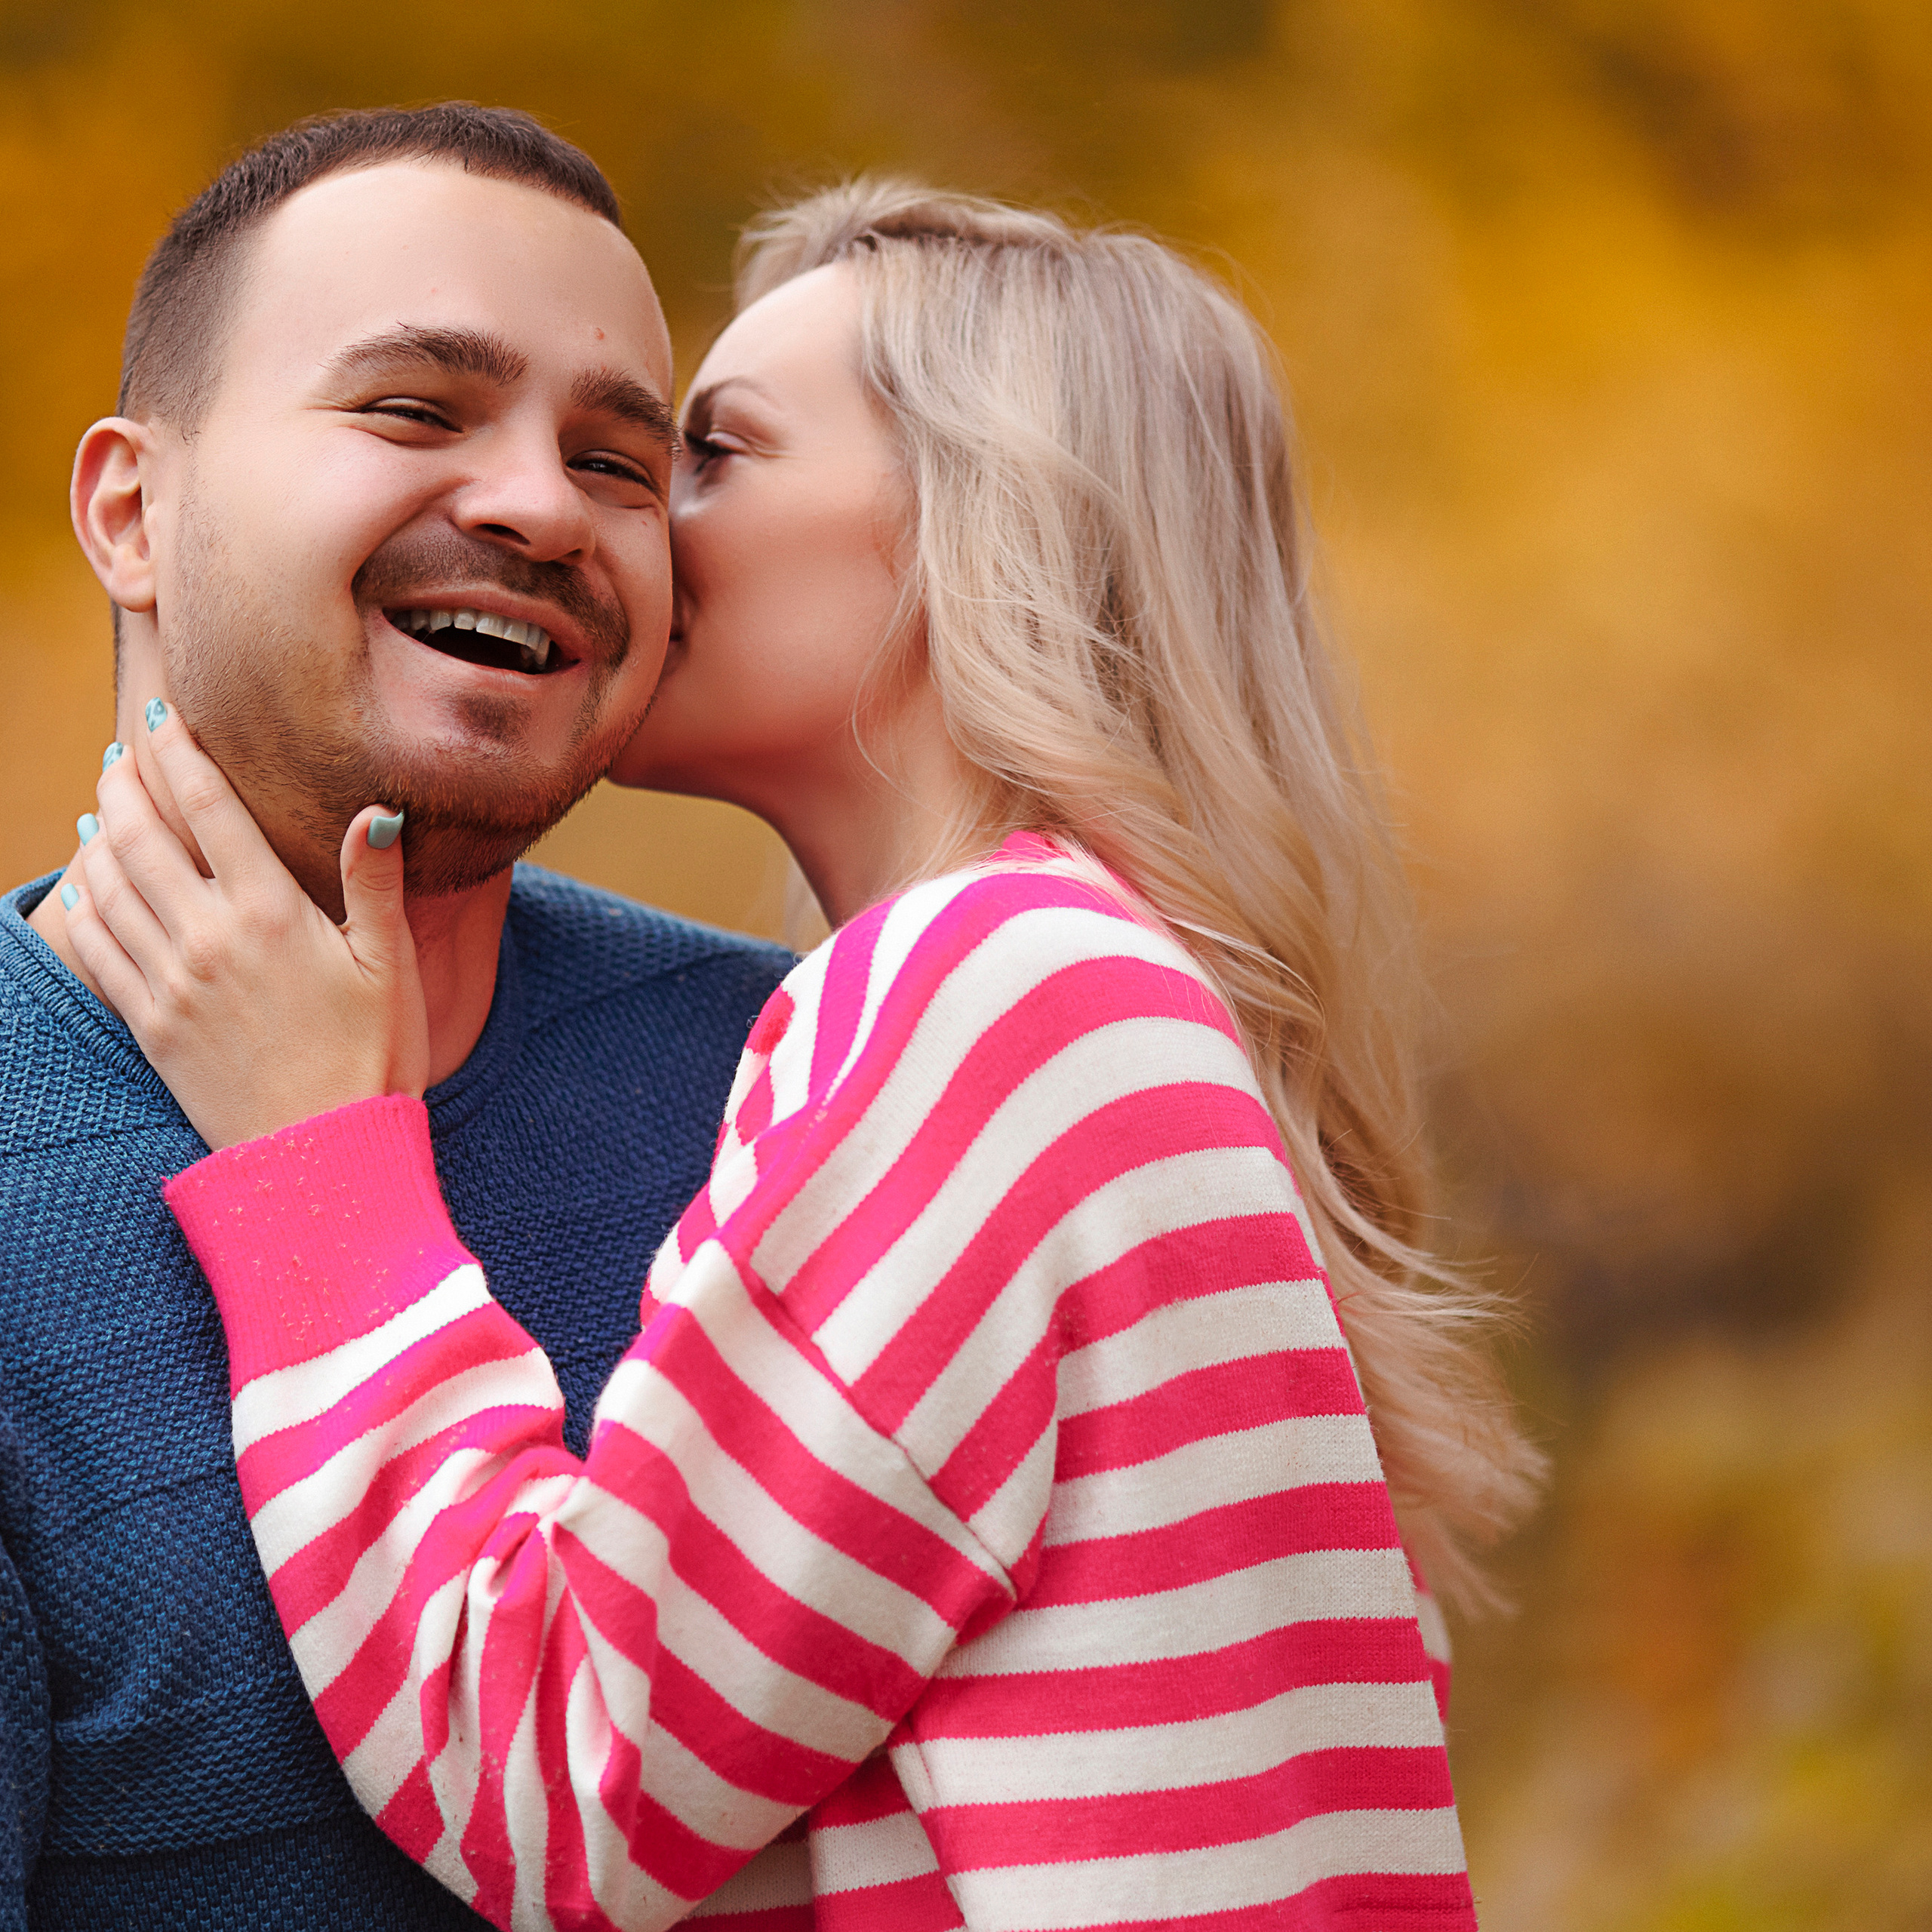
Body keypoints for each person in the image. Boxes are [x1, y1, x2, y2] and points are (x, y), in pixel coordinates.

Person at [63, 183, 1543, 1928]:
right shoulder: (1092, 996)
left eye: (706, 452)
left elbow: (567, 1778)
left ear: (969, 524)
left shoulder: (992, 1001)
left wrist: (314, 1161)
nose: (607, 526)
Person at [0, 106, 792, 1927]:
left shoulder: (802, 1087)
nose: (532, 503)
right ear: (134, 507)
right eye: (415, 411)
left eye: (617, 459)